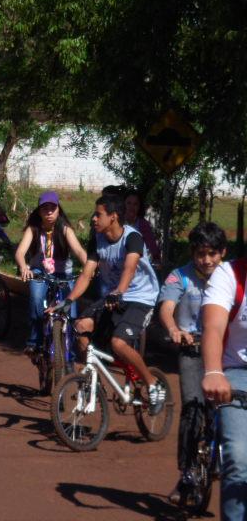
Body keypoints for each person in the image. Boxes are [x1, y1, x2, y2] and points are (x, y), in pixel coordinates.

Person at [61, 194, 165, 414]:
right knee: (81, 327)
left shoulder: (132, 237)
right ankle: (94, 380)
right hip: (112, 297)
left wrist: (119, 292)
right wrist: (68, 300)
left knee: (118, 343)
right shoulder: (97, 239)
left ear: (113, 217)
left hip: (140, 298)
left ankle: (154, 385)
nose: (93, 219)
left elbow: (129, 268)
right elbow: (86, 274)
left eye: (98, 214)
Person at [159, 222, 225, 503]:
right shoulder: (180, 277)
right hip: (192, 349)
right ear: (193, 253)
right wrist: (174, 330)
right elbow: (166, 307)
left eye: (212, 253)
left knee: (228, 409)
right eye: (201, 254)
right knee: (193, 408)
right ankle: (186, 472)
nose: (207, 260)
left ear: (222, 253)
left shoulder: (231, 277)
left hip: (225, 353)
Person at [201, 247, 247, 521]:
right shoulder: (230, 275)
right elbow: (214, 327)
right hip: (238, 371)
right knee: (240, 459)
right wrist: (214, 371)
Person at [14, 190, 87, 353]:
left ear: (58, 209)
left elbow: (79, 250)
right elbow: (20, 252)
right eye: (44, 209)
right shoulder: (33, 229)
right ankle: (35, 340)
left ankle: (71, 350)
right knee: (36, 297)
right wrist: (24, 267)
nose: (49, 212)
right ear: (39, 211)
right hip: (40, 272)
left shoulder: (65, 229)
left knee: (72, 310)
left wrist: (88, 267)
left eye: (52, 208)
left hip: (63, 274)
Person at [124, 189, 162, 263]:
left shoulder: (143, 224)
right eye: (129, 203)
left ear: (139, 207)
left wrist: (157, 258)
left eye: (135, 204)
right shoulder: (117, 222)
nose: (132, 207)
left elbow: (152, 245)